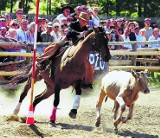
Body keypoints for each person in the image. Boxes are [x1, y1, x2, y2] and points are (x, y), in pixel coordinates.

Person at [36, 12, 93, 88]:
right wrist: (80, 33)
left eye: (86, 21)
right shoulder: (73, 24)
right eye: (83, 20)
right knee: (56, 46)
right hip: (68, 41)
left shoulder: (87, 29)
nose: (85, 22)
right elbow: (70, 32)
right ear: (79, 19)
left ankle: (87, 81)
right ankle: (43, 60)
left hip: (78, 47)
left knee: (87, 63)